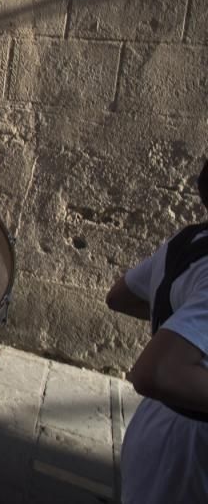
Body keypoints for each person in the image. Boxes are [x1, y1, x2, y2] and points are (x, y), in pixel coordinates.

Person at [106, 158, 208, 504]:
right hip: (188, 450)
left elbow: (120, 295)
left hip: (156, 425)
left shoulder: (191, 241)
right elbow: (158, 372)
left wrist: (176, 329)